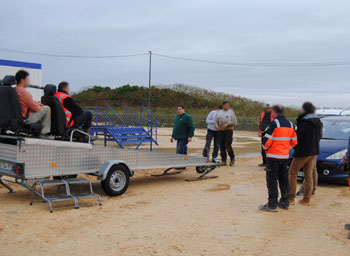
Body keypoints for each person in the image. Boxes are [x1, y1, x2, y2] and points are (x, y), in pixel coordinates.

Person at [259, 104, 298, 212]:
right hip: (284, 156)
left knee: (272, 180)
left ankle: (272, 205)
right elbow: (294, 142)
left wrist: (266, 149)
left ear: (275, 113)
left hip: (273, 157)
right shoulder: (291, 124)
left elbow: (267, 141)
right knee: (284, 179)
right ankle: (285, 202)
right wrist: (285, 148)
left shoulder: (274, 123)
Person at [289, 102, 323, 206]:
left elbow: (297, 138)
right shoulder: (319, 122)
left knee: (292, 172)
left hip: (303, 151)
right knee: (308, 175)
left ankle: (291, 198)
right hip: (314, 151)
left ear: (304, 110)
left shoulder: (304, 122)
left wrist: (295, 147)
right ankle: (306, 199)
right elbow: (320, 136)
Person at [14, 70, 51, 136]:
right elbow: (36, 109)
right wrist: (39, 105)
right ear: (23, 80)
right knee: (46, 108)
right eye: (28, 79)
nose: (29, 81)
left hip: (14, 118)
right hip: (24, 119)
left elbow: (24, 103)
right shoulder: (25, 93)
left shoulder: (13, 90)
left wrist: (36, 103)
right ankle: (44, 133)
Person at [214, 101, 238, 166]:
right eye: (226, 105)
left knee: (228, 145)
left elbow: (235, 122)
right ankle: (224, 161)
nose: (228, 106)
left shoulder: (231, 112)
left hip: (228, 130)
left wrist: (228, 124)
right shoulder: (219, 112)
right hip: (221, 131)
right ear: (223, 105)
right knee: (221, 146)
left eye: (228, 105)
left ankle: (232, 158)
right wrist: (217, 127)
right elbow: (215, 121)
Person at [258, 103, 273, 167]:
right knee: (263, 148)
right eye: (266, 108)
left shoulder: (273, 114)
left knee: (270, 148)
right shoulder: (263, 114)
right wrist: (259, 131)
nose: (267, 109)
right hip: (263, 133)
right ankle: (264, 162)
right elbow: (261, 123)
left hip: (270, 134)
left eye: (269, 108)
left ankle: (269, 163)